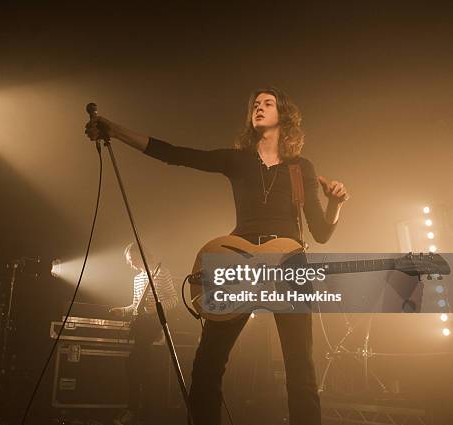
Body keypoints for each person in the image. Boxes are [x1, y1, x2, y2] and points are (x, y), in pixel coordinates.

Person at [86, 87, 349, 425]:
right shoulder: (237, 159)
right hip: (237, 259)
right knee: (208, 362)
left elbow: (322, 233)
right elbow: (174, 153)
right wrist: (115, 130)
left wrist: (335, 204)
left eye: (268, 103)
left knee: (300, 366)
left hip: (288, 262)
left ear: (284, 115)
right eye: (255, 104)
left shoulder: (301, 168)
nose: (259, 107)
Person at [109, 243, 178, 425]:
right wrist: (122, 311)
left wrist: (155, 309)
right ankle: (139, 410)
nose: (130, 264)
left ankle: (136, 411)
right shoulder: (137, 279)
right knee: (139, 368)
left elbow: (174, 299)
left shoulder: (162, 272)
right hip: (141, 328)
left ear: (141, 256)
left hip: (155, 327)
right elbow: (135, 307)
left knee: (136, 365)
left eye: (131, 260)